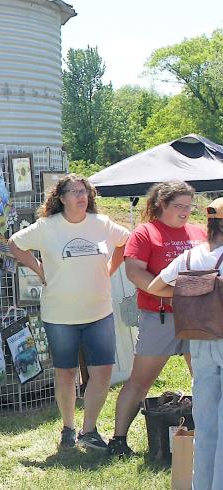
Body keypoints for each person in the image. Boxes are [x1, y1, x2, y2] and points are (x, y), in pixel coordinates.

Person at [9, 174, 130, 450]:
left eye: (84, 191)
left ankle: (89, 430)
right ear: (61, 198)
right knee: (65, 373)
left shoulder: (102, 224)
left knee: (102, 372)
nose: (81, 196)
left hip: (99, 311)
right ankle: (68, 427)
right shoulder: (47, 226)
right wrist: (38, 269)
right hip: (60, 316)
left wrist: (112, 267)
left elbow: (126, 241)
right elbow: (15, 244)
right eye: (74, 191)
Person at [109, 181, 204, 457]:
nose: (186, 212)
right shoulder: (145, 233)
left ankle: (205, 433)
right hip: (159, 316)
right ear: (161, 204)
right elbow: (135, 273)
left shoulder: (198, 232)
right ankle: (118, 440)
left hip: (197, 317)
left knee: (204, 377)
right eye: (179, 206)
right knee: (140, 381)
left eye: (189, 206)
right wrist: (174, 292)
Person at [146, 197, 223, 490]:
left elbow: (156, 287)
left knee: (205, 423)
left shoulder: (191, 257)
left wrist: (188, 293)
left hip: (198, 339)